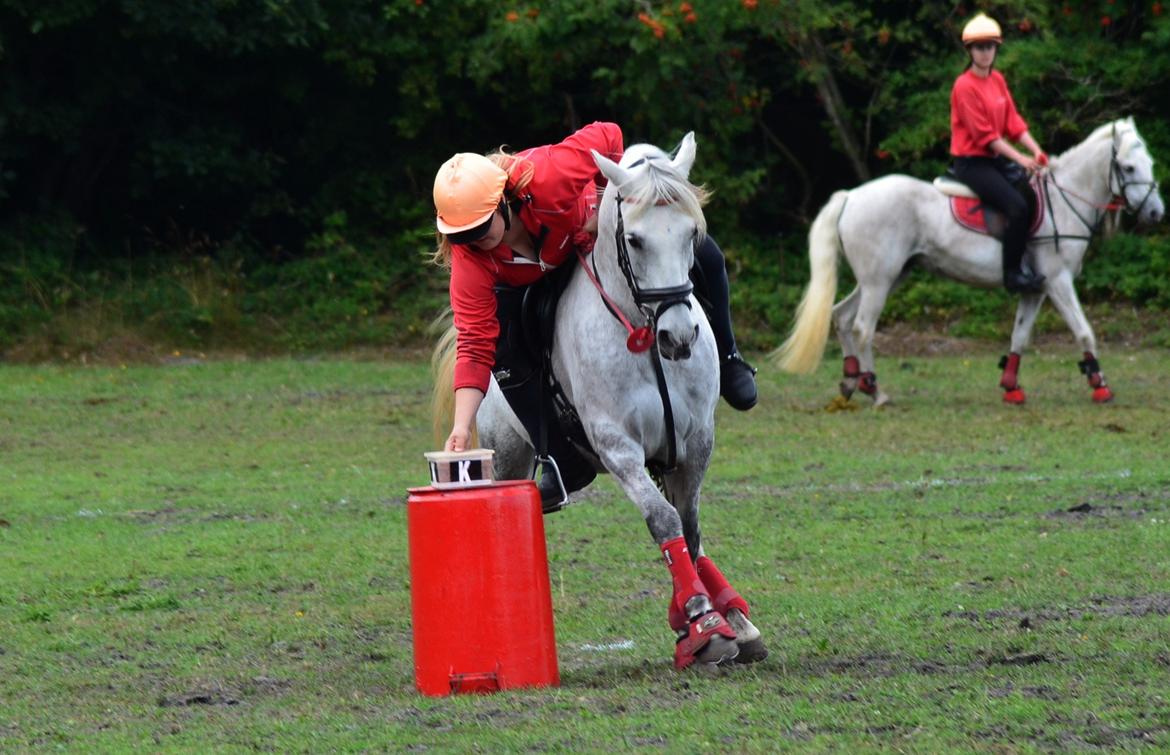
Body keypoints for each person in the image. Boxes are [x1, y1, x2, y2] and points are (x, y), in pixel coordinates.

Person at [432, 122, 758, 467]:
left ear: (502, 203)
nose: (474, 241)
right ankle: (557, 457)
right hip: (529, 282)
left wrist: (605, 205)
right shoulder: (471, 257)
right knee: (506, 348)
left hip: (590, 241)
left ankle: (728, 356)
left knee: (706, 254)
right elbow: (473, 343)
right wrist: (461, 427)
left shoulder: (549, 176)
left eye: (481, 228)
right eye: (462, 235)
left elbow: (609, 134)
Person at [950, 12, 1048, 294]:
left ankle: (1026, 259)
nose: (985, 52)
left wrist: (1036, 150)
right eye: (979, 47)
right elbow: (986, 136)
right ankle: (1012, 275)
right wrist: (1020, 159)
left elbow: (1013, 122)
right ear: (969, 51)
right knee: (1016, 207)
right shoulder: (964, 86)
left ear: (996, 48)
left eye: (990, 46)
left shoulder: (998, 80)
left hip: (994, 160)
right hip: (972, 163)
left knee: (1031, 195)